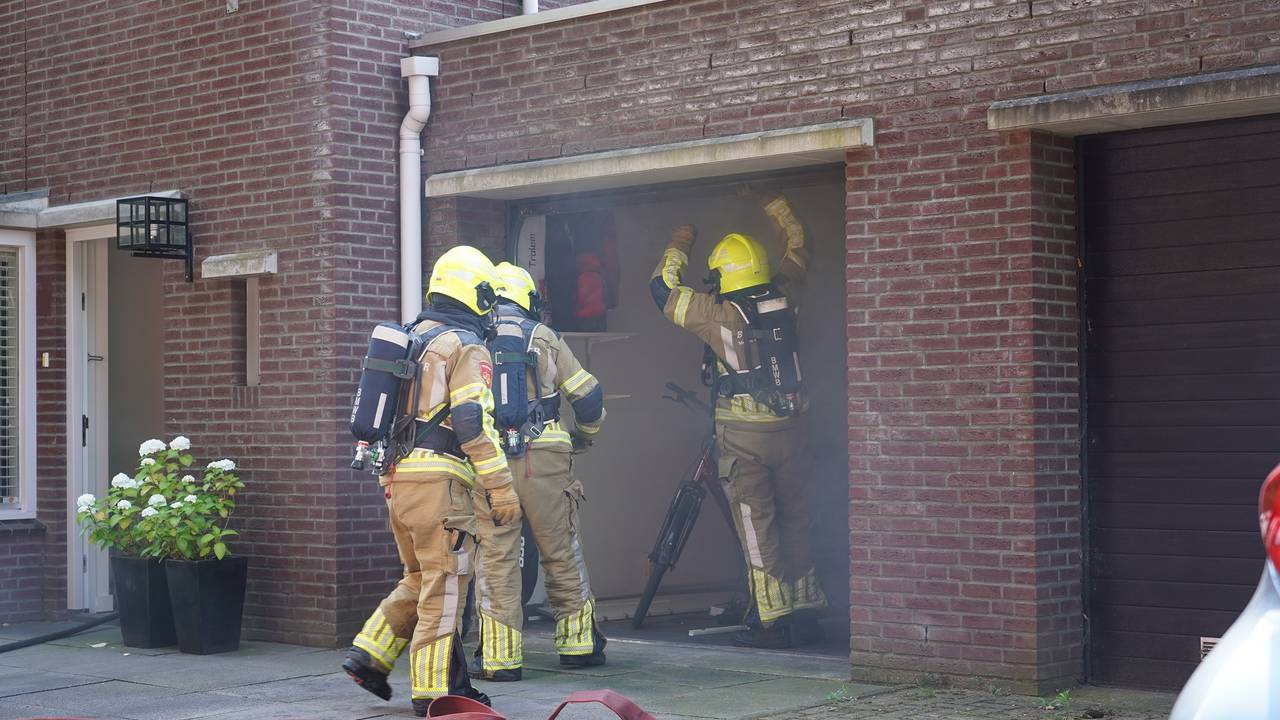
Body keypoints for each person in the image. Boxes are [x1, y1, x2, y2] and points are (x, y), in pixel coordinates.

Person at [343, 246, 521, 716]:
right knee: (443, 587)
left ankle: (370, 654)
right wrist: (501, 487)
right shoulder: (466, 346)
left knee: (420, 576)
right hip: (441, 486)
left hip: (398, 481)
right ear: (478, 295)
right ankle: (434, 691)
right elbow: (473, 423)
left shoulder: (412, 338)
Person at [649, 186, 828, 649]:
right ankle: (807, 608)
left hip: (745, 440)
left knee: (757, 524)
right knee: (798, 517)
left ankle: (772, 620)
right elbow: (800, 242)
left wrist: (680, 243)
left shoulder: (717, 313)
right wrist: (773, 202)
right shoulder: (787, 292)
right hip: (795, 429)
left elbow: (662, 289)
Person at [468, 261, 608, 681]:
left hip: (491, 464)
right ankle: (578, 645)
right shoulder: (545, 336)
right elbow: (588, 397)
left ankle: (499, 659)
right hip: (545, 459)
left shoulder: (475, 339)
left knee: (497, 559)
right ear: (528, 299)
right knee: (561, 550)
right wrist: (584, 435)